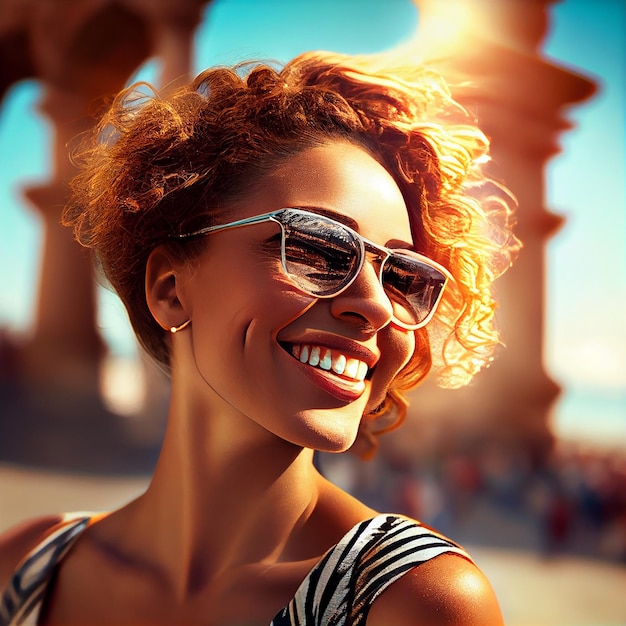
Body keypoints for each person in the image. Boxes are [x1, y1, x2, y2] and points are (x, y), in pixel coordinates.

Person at [0, 49, 518, 625]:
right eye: (318, 248)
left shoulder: (414, 602)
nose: (376, 306)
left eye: (404, 278)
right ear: (170, 288)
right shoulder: (26, 569)